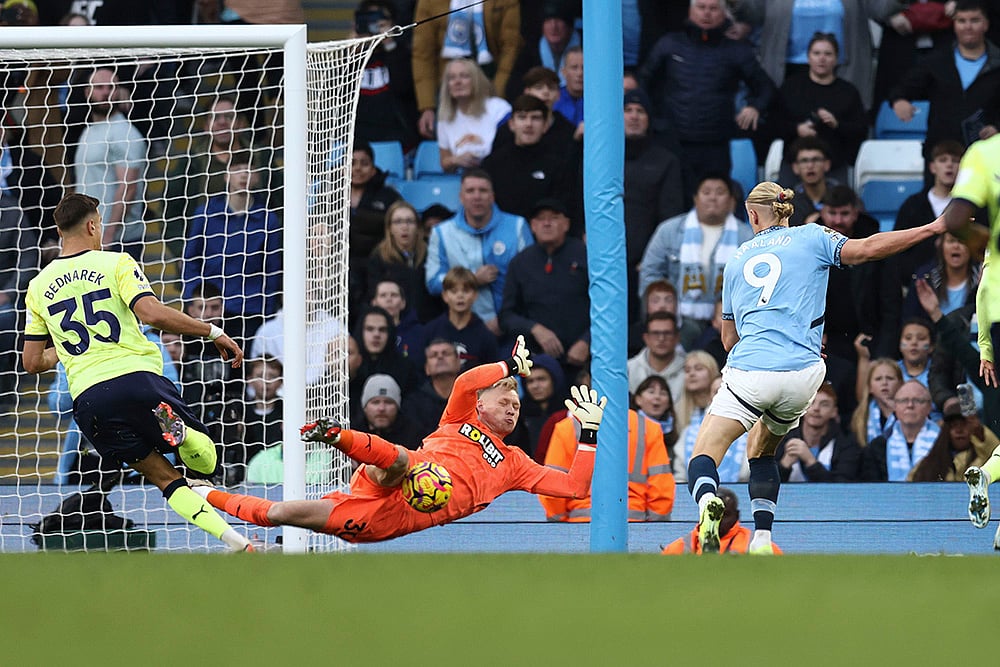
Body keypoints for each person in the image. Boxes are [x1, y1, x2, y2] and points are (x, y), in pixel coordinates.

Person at [686, 181, 944, 554]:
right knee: (761, 451)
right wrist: (931, 228)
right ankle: (761, 537)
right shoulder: (812, 235)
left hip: (753, 370)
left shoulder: (738, 258)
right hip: (804, 374)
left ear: (753, 214)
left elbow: (728, 341)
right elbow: (868, 248)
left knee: (704, 456)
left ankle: (708, 501)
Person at [194, 337, 612, 545]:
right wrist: (507, 365)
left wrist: (589, 434)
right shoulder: (460, 414)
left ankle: (209, 494)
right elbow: (467, 380)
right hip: (388, 478)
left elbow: (574, 487)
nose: (513, 405)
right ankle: (334, 436)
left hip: (386, 520)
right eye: (505, 395)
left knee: (285, 510)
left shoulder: (515, 462)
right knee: (398, 462)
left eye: (517, 403)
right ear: (481, 403)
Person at [21, 193, 253, 551]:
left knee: (165, 479)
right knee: (205, 461)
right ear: (93, 225)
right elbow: (152, 314)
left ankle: (238, 543)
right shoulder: (115, 262)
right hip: (137, 380)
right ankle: (182, 436)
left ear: (58, 229)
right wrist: (212, 331)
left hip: (90, 400)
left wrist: (68, 347)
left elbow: (32, 362)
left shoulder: (37, 287)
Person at [638, 0, 775, 200]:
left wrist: (754, 107)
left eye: (713, 8)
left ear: (724, 14)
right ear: (690, 10)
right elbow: (643, 82)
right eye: (701, 7)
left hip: (716, 144)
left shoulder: (736, 50)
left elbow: (766, 88)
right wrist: (655, 120)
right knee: (673, 199)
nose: (707, 13)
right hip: (672, 141)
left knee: (714, 201)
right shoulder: (669, 44)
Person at [181, 150, 282, 345]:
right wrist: (192, 301)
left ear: (257, 177)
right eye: (237, 169)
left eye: (249, 169)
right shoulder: (206, 213)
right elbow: (190, 259)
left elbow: (272, 270)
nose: (243, 174)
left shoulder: (268, 218)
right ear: (226, 175)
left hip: (250, 309)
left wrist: (268, 311)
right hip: (209, 309)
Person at [638, 173, 754, 333]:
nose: (713, 198)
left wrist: (730, 308)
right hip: (678, 320)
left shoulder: (748, 236)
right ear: (695, 198)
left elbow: (753, 282)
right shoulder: (669, 231)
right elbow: (650, 274)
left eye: (720, 193)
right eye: (706, 192)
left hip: (728, 320)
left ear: (730, 200)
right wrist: (665, 309)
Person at [889, 0, 1000, 166]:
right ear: (954, 25)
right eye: (961, 21)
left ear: (986, 24)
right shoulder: (936, 61)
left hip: (986, 157)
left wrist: (997, 128)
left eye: (974, 20)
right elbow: (903, 88)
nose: (968, 27)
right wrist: (899, 101)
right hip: (940, 157)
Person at [425, 169, 532, 336]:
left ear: (492, 196)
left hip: (512, 326)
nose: (477, 196)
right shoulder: (442, 233)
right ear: (461, 197)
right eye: (470, 191)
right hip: (464, 328)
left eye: (483, 191)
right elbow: (433, 281)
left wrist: (505, 319)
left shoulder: (517, 226)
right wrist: (472, 279)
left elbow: (529, 279)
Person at [539, 407, 674, 522]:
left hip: (579, 523)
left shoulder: (567, 428)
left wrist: (559, 524)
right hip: (635, 523)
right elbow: (661, 486)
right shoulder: (647, 428)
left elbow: (553, 488)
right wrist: (655, 528)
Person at [500, 198, 589, 373]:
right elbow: (506, 316)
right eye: (541, 219)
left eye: (554, 217)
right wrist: (535, 329)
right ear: (532, 226)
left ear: (566, 224)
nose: (546, 223)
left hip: (583, 359)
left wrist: (587, 341)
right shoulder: (520, 263)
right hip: (537, 364)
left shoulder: (586, 256)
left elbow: (609, 307)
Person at [411, 0, 521, 140]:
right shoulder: (429, 2)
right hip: (448, 88)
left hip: (491, 81)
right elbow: (423, 55)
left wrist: (497, 92)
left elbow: (511, 47)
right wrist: (427, 106)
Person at [767, 32, 868, 176]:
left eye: (828, 54)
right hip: (794, 165)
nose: (822, 58)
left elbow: (861, 130)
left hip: (833, 165)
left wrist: (836, 125)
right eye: (816, 53)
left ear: (836, 59)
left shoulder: (848, 92)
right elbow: (773, 124)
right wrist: (797, 129)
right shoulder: (791, 87)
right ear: (808, 57)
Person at [73, 67, 147, 260]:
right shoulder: (88, 132)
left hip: (117, 242)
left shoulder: (124, 133)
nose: (105, 92)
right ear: (87, 92)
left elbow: (128, 189)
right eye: (99, 87)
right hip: (90, 239)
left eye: (111, 87)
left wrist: (108, 237)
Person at [623, 87, 684, 314]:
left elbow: (670, 214)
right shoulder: (599, 158)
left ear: (649, 119)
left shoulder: (665, 160)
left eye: (640, 111)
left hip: (644, 262)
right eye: (627, 110)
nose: (634, 116)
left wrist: (652, 257)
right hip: (604, 258)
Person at [482, 95, 579, 222]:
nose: (529, 124)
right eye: (522, 117)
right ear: (511, 124)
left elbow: (566, 206)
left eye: (535, 118)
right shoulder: (492, 164)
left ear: (545, 126)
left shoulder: (559, 164)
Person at [891, 140, 969, 287]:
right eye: (943, 160)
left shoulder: (970, 206)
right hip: (917, 285)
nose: (949, 165)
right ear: (932, 167)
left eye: (955, 160)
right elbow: (899, 248)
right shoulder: (912, 206)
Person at [367, 200, 438, 323]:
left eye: (409, 221)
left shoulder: (431, 253)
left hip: (428, 324)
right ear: (390, 228)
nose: (404, 227)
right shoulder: (378, 258)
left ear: (418, 227)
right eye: (398, 222)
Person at [434, 59, 511, 172]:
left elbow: (510, 150)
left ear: (477, 81)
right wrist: (456, 160)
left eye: (464, 76)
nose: (457, 82)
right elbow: (444, 162)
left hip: (499, 172)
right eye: (451, 78)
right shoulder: (445, 117)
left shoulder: (498, 108)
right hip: (466, 177)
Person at [775, 382, 861, 482]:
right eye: (811, 403)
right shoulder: (780, 440)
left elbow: (842, 488)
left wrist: (811, 462)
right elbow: (766, 485)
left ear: (834, 412)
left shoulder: (847, 445)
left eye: (824, 404)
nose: (816, 408)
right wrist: (784, 465)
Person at [662, 487, 783, 555]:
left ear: (737, 516)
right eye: (713, 515)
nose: (718, 520)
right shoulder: (679, 548)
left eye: (725, 515)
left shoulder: (756, 544)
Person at [861, 380, 941, 481]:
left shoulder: (943, 442)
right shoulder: (877, 447)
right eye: (903, 400)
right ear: (895, 407)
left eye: (917, 400)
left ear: (929, 407)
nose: (910, 405)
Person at [421, 266, 499, 369]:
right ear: (445, 296)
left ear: (475, 295)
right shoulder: (430, 331)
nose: (460, 296)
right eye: (454, 291)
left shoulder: (485, 336)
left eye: (466, 291)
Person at [221, 355, 283, 485]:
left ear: (280, 381)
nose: (266, 382)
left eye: (272, 377)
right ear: (250, 379)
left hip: (277, 475)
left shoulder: (287, 411)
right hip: (244, 475)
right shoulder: (238, 410)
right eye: (260, 376)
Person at [910, 399, 999, 481]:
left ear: (973, 429)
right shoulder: (928, 464)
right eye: (954, 425)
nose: (959, 430)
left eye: (964, 424)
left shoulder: (985, 460)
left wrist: (979, 431)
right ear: (946, 431)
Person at [403, 338, 463, 439]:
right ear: (427, 368)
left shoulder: (472, 398)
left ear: (458, 363)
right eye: (433, 355)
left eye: (446, 353)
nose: (440, 357)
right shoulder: (414, 404)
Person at [353, 374, 423, 451]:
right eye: (375, 402)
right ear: (365, 407)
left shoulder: (414, 436)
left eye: (388, 402)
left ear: (397, 407)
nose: (381, 408)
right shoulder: (353, 434)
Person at [627, 312, 685, 399]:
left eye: (667, 333)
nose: (661, 338)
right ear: (646, 338)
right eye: (655, 333)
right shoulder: (628, 370)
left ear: (677, 337)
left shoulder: (689, 370)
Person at [849, 356, 905, 447]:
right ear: (870, 387)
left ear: (900, 384)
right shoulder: (860, 417)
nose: (884, 383)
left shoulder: (912, 411)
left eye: (890, 378)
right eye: (878, 379)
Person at [784, 137, 840, 227]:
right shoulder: (788, 202)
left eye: (816, 160)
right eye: (804, 161)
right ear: (795, 167)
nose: (810, 166)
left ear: (827, 164)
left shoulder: (844, 197)